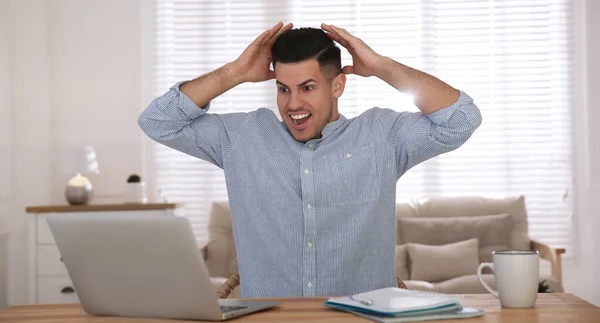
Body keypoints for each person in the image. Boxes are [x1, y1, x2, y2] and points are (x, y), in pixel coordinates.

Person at [139, 22, 482, 298]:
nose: (293, 104)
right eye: (283, 89)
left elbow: (461, 119)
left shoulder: (381, 136)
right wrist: (236, 72)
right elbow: (157, 121)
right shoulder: (243, 137)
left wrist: (381, 66)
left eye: (307, 87)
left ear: (337, 86)